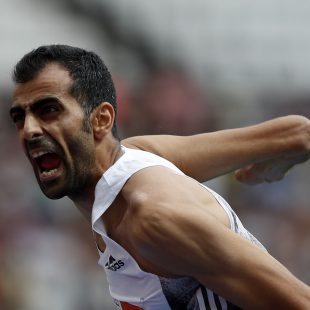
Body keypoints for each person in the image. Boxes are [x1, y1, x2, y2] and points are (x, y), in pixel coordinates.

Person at [9, 45, 310, 309]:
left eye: (48, 110)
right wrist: (283, 155)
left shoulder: (153, 220)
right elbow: (297, 133)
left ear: (101, 120)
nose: (30, 130)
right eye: (20, 117)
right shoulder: (138, 154)